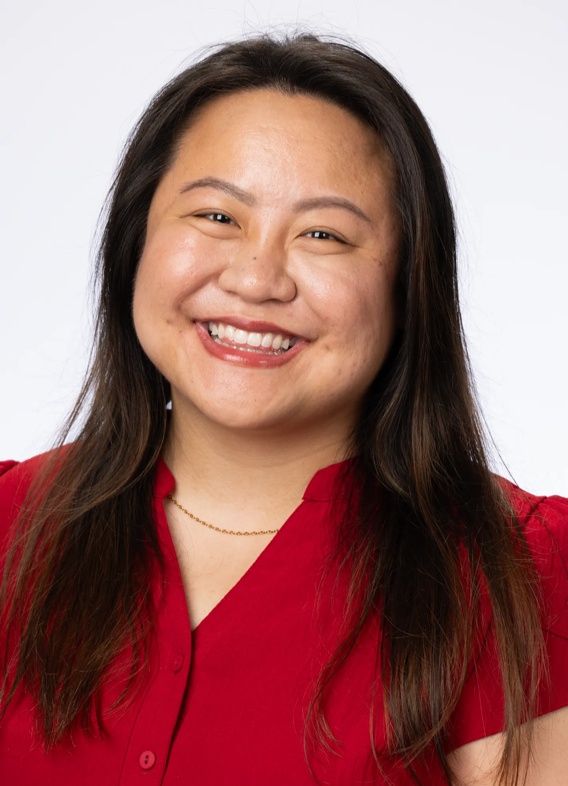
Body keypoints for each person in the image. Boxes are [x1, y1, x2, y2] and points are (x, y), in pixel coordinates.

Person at [0, 33, 567, 786]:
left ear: (406, 285)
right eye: (215, 216)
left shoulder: (514, 571)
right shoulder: (12, 526)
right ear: (136, 240)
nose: (258, 278)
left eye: (324, 234)